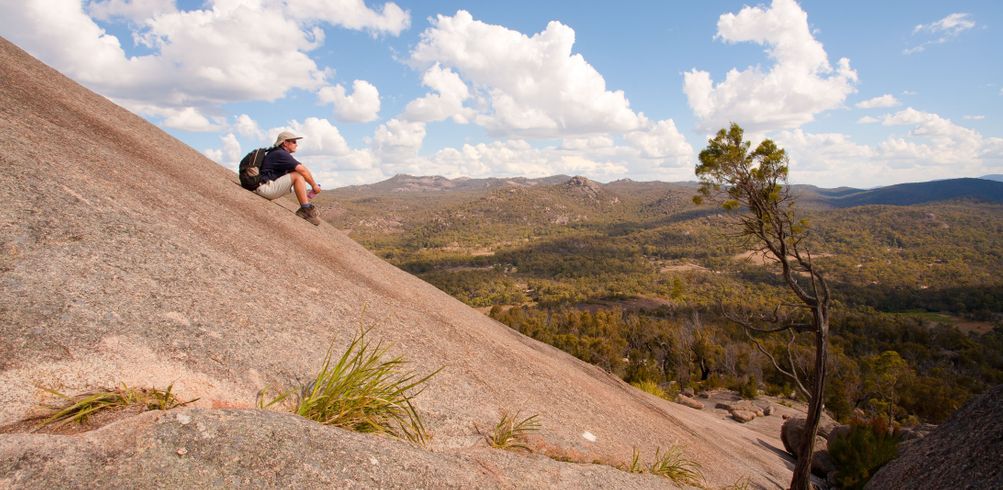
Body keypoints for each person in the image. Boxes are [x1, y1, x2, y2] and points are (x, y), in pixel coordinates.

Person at [255, 131, 322, 225]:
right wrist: (314, 185)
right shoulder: (280, 154)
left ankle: (305, 207)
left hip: (264, 187)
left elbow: (301, 167)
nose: (296, 145)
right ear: (285, 143)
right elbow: (302, 170)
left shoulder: (278, 153)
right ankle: (305, 209)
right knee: (298, 175)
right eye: (294, 142)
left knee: (297, 173)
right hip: (264, 188)